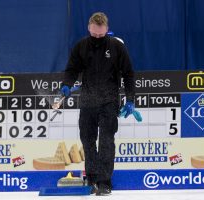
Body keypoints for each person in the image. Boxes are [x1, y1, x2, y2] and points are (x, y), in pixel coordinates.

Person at [60, 12, 136, 196]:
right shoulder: (81, 46)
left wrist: (131, 99)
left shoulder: (117, 47)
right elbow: (72, 69)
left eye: (101, 35)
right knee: (87, 139)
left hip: (109, 101)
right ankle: (92, 177)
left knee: (106, 141)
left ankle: (104, 182)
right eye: (94, 35)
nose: (97, 38)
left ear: (107, 30)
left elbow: (128, 74)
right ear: (89, 29)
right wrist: (66, 85)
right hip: (87, 100)